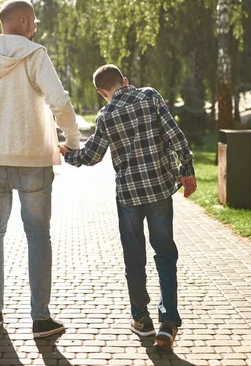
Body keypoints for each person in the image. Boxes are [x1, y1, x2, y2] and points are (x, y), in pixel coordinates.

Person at [0, 0, 80, 337]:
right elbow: (61, 102)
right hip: (33, 160)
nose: (36, 27)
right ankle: (40, 318)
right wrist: (73, 141)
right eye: (34, 21)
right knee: (37, 234)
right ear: (23, 21)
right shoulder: (35, 55)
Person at [59, 64, 196, 352]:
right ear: (125, 81)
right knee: (165, 254)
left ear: (101, 92)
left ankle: (141, 320)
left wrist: (69, 155)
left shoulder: (106, 114)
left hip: (129, 197)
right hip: (159, 189)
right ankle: (168, 322)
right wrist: (187, 170)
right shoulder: (150, 96)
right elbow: (176, 136)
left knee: (134, 259)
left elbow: (92, 155)